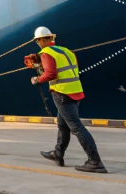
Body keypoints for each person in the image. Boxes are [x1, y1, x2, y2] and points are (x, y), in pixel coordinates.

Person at [29, 26, 107, 173]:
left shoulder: (45, 53)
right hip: (76, 91)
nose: (38, 44)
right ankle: (58, 154)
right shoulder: (66, 51)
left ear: (40, 40)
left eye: (37, 41)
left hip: (62, 93)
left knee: (76, 127)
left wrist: (37, 79)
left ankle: (95, 161)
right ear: (51, 37)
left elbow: (51, 74)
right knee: (62, 125)